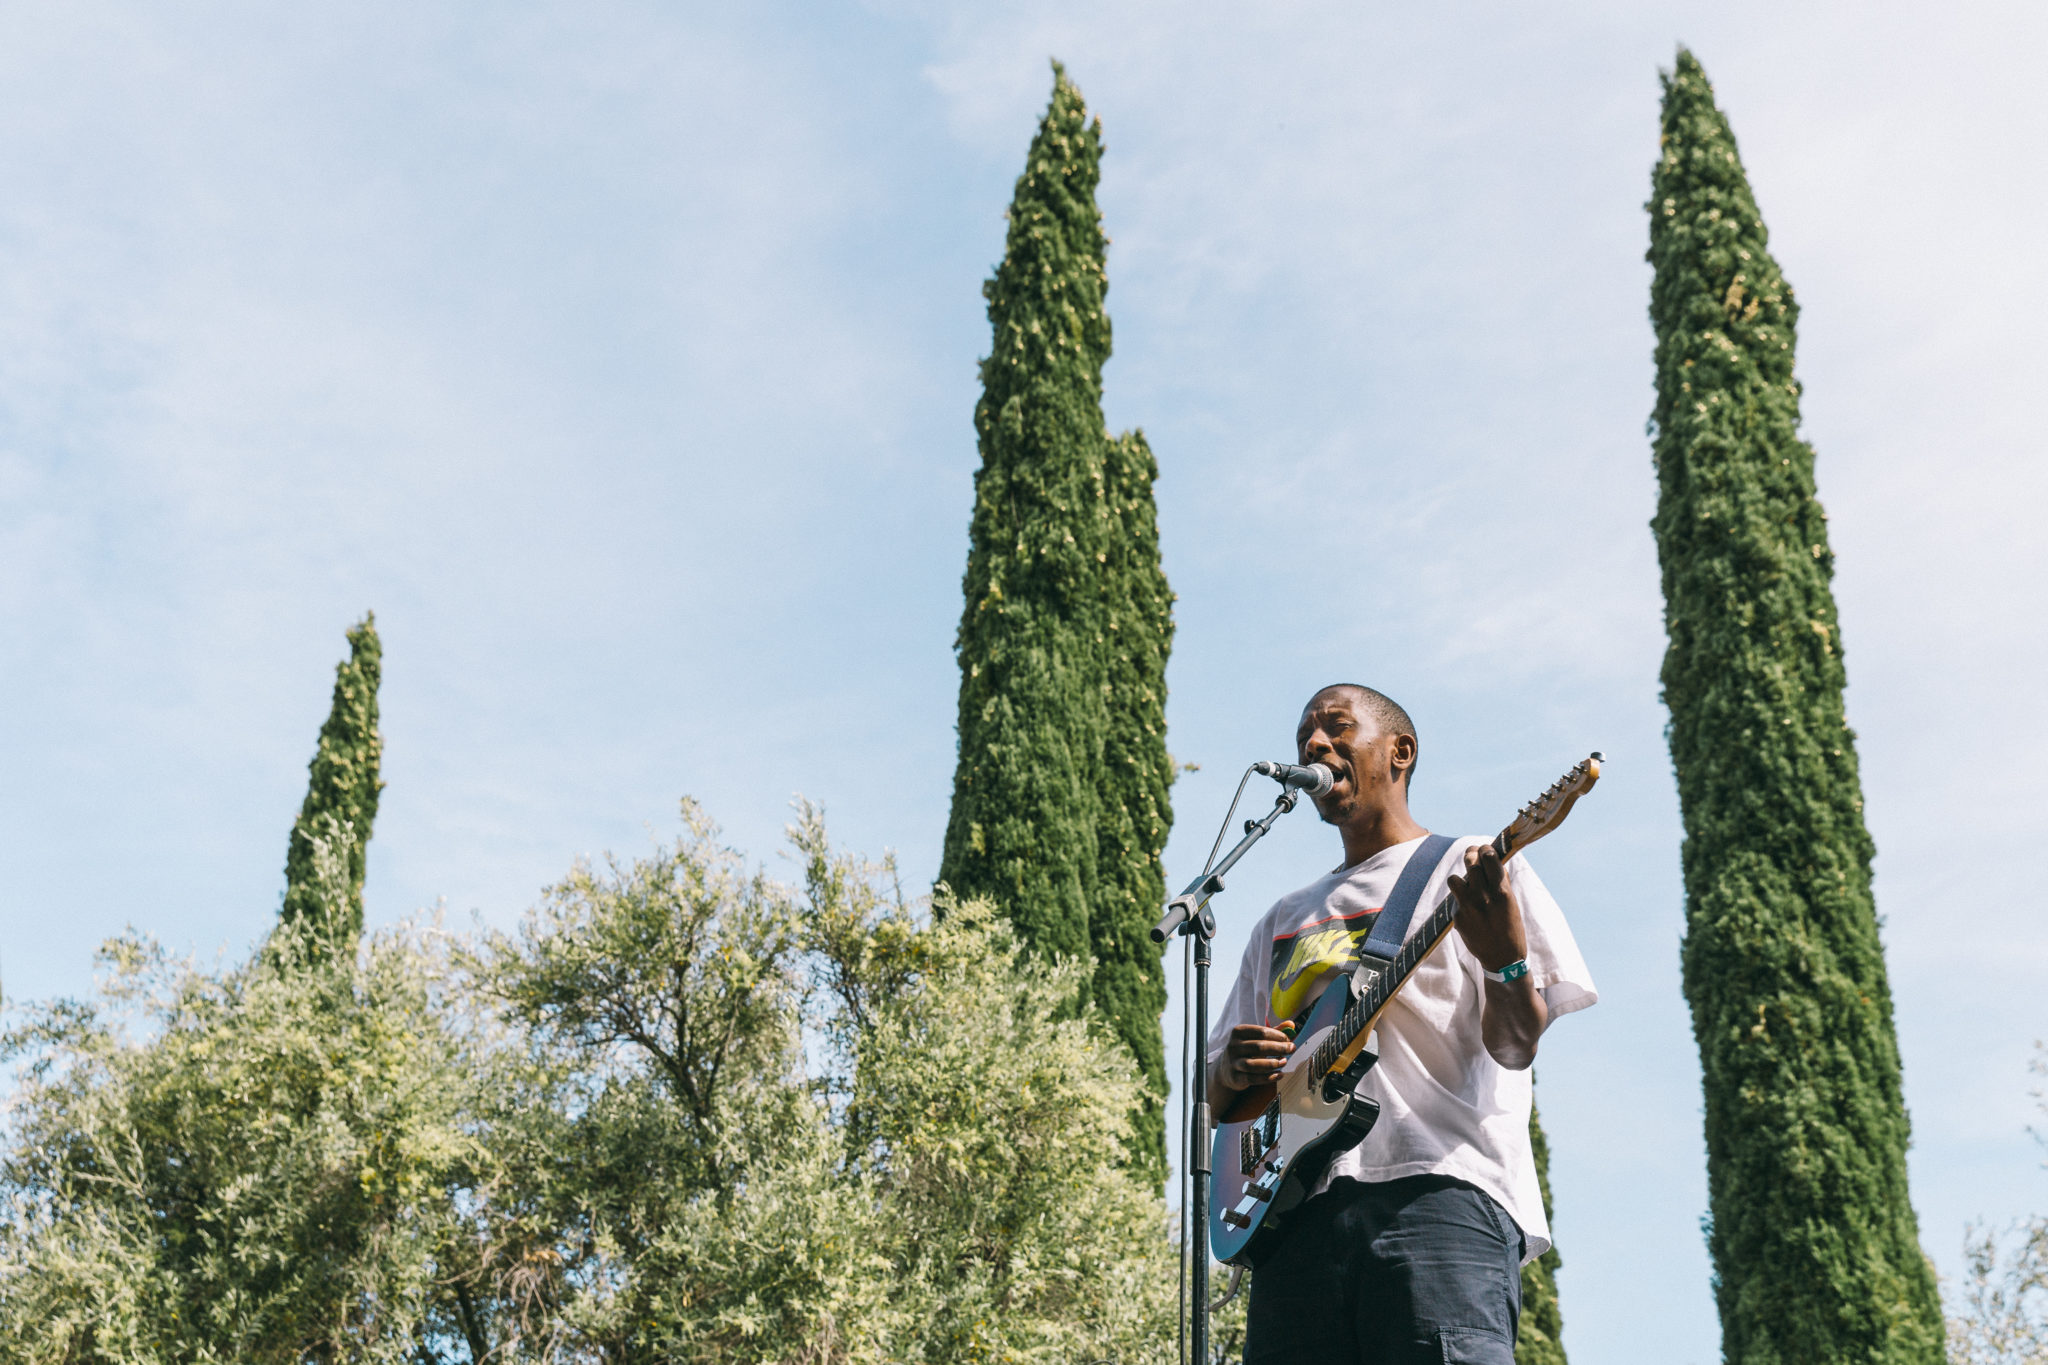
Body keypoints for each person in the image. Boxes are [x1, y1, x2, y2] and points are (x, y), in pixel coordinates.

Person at [1206, 683, 1597, 1364]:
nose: (1314, 745)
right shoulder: (1280, 918)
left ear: (1400, 752)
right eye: (1305, 735)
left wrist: (1505, 960)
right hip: (1291, 1220)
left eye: (1335, 727)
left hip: (1437, 1198)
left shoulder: (1473, 865)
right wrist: (1232, 1068)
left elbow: (1516, 1045)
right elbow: (1218, 1101)